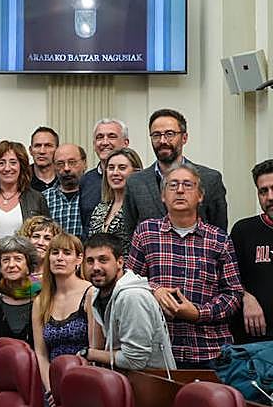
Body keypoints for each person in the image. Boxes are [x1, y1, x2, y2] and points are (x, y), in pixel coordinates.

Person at [126, 165, 242, 368]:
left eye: (188, 185)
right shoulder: (146, 233)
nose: (180, 190)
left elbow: (232, 295)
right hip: (159, 350)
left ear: (200, 196)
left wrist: (198, 313)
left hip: (209, 351)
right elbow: (128, 283)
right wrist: (155, 290)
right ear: (163, 196)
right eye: (173, 185)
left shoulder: (219, 239)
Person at [83, 233, 176, 373]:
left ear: (120, 262)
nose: (95, 267)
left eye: (103, 260)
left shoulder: (132, 297)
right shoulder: (97, 292)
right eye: (90, 261)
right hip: (124, 383)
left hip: (152, 387)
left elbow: (135, 361)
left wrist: (88, 354)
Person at [125, 108, 228, 231]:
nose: (162, 141)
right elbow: (131, 231)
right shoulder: (135, 182)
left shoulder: (209, 179)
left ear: (184, 138)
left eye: (169, 134)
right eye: (156, 135)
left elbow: (219, 230)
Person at [32, 232, 92, 399]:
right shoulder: (40, 301)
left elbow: (96, 349)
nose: (60, 258)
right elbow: (41, 353)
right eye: (55, 252)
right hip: (52, 386)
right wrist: (51, 388)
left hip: (85, 383)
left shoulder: (90, 293)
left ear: (79, 259)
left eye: (67, 253)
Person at [230, 159, 273, 343]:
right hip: (253, 343)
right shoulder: (243, 231)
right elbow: (227, 279)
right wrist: (245, 296)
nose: (270, 197)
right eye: (263, 191)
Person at [0, 140, 49, 249]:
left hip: (24, 264)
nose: (7, 168)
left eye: (13, 162)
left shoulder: (36, 199)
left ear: (21, 166)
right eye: (1, 163)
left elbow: (47, 236)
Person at [0, 235, 40, 352]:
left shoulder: (41, 295)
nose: (11, 265)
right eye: (5, 260)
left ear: (28, 266)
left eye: (18, 259)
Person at [88, 147, 143, 246]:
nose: (115, 173)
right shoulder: (101, 208)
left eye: (122, 168)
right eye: (111, 168)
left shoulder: (140, 207)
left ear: (136, 172)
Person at [79, 118, 130, 225]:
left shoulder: (138, 179)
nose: (105, 142)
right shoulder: (85, 181)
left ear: (126, 143)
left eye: (112, 136)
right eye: (100, 137)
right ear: (94, 145)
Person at [42, 144, 87, 239]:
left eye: (72, 162)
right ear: (54, 166)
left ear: (84, 163)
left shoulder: (94, 194)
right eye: (60, 164)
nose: (66, 168)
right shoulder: (44, 198)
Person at [29, 126, 60, 192]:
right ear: (30, 150)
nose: (42, 151)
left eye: (48, 145)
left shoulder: (65, 176)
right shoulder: (21, 178)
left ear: (57, 150)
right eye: (37, 146)